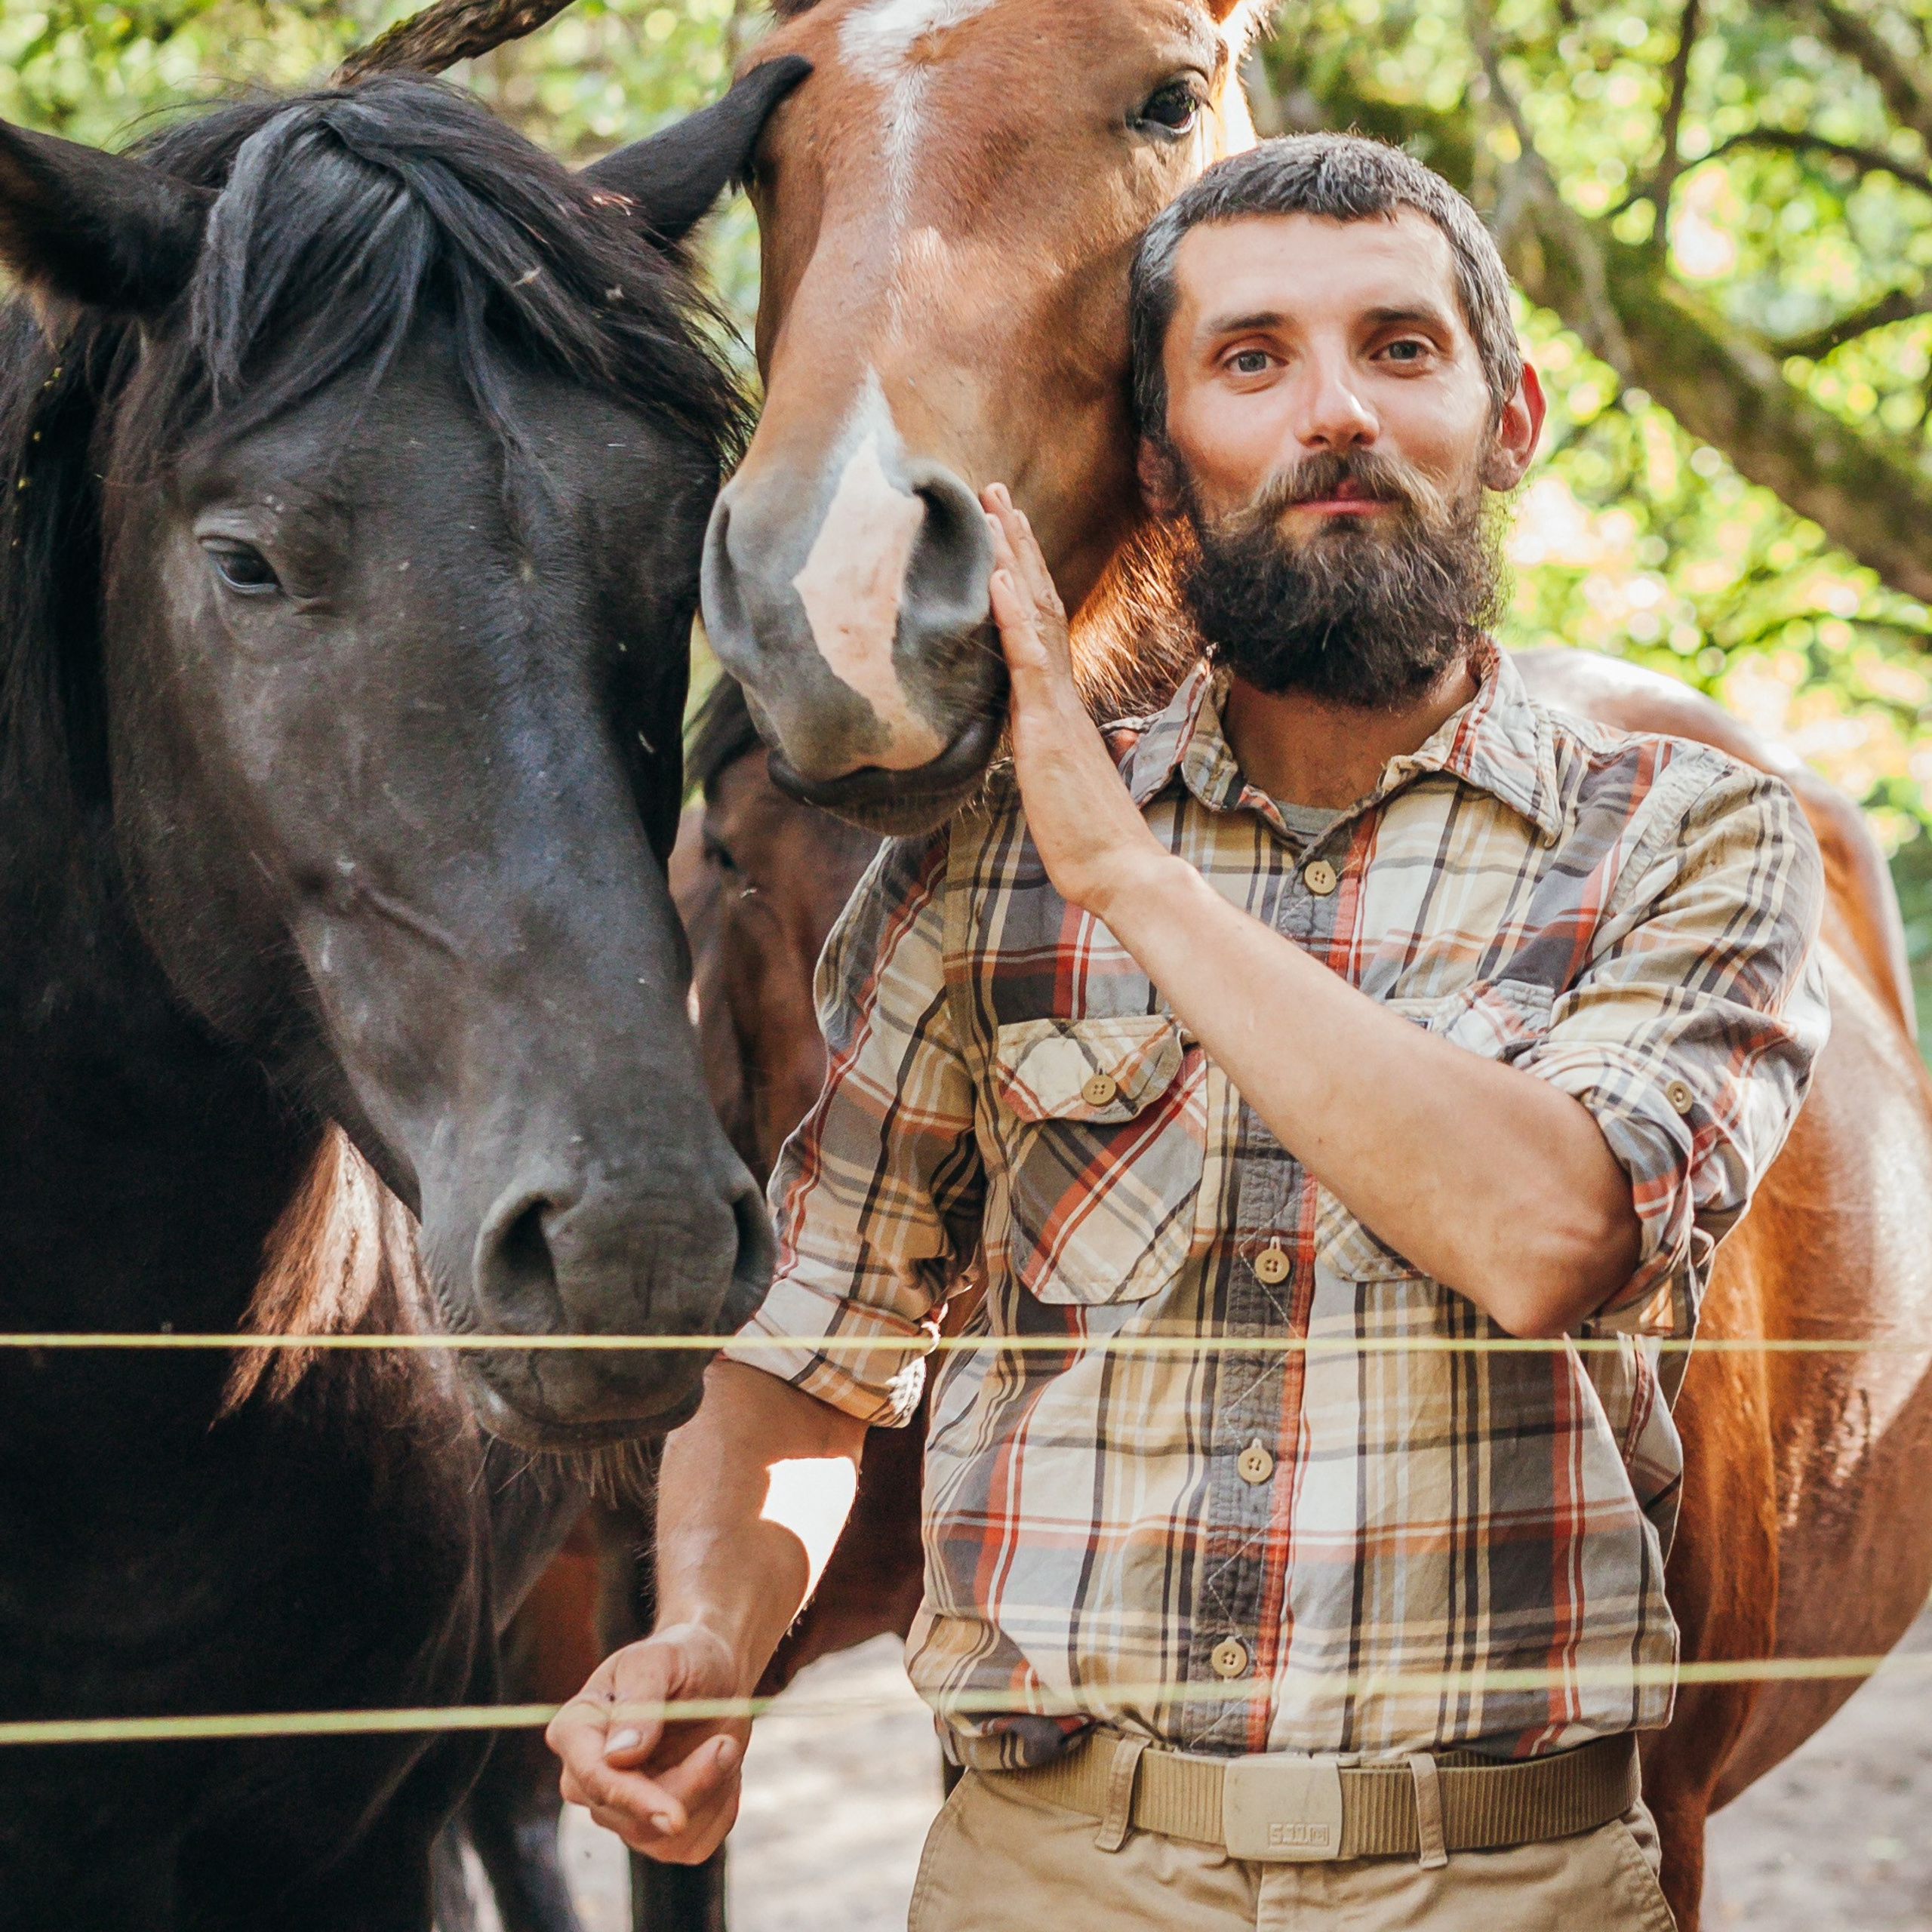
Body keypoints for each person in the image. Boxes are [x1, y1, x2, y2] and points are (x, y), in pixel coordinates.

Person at [547, 135, 1827, 1930]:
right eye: (1251, 360)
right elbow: (805, 1349)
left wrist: (1133, 882)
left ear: (1511, 413)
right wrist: (708, 1624)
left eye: (1397, 347)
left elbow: (1549, 1231)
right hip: (1044, 1869)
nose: (1333, 414)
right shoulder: (979, 866)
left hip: (1507, 1879)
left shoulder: (1691, 836)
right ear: (1159, 458)